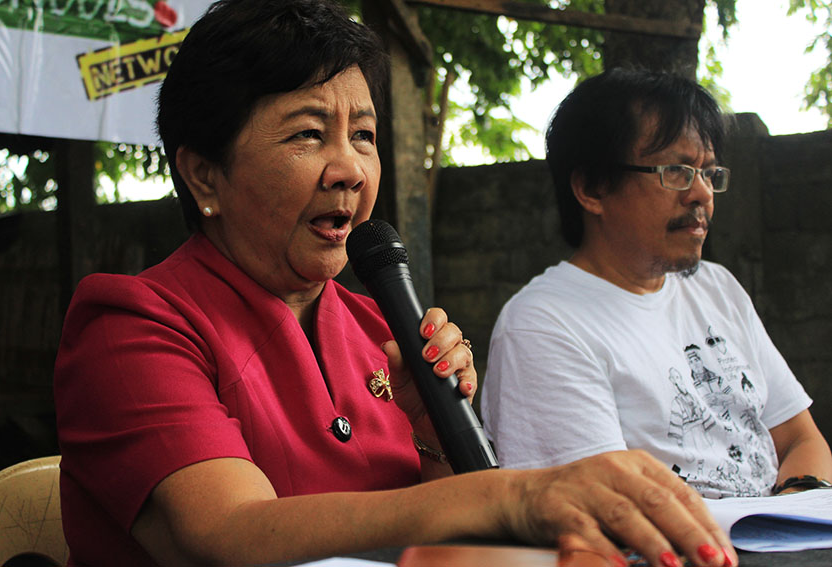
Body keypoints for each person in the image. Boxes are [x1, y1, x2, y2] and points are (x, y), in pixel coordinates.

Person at [53, 4, 736, 566]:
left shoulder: (380, 327)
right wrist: (516, 496)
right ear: (205, 175)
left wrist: (431, 427)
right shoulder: (129, 324)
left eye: (364, 135)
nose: (350, 168)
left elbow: (438, 525)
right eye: (309, 134)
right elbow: (228, 532)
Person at [481, 68, 832, 501]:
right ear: (592, 187)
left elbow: (801, 438)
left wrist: (792, 516)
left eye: (708, 173)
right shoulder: (543, 325)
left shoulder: (716, 287)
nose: (702, 194)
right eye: (677, 171)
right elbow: (597, 508)